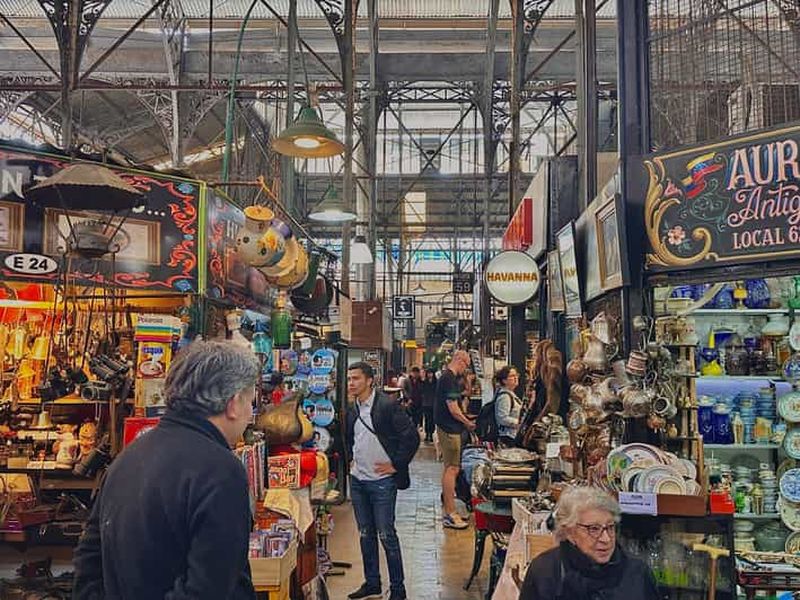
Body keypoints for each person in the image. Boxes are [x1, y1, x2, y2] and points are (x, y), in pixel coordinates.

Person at [73, 341, 260, 600]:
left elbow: (89, 559)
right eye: (251, 402)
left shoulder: (128, 457)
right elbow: (208, 588)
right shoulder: (221, 471)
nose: (250, 414)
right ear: (233, 403)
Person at [345, 362, 420, 600]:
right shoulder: (352, 408)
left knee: (386, 535)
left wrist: (395, 465)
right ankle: (373, 583)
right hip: (358, 480)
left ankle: (398, 590)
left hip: (382, 482)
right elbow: (349, 438)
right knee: (365, 533)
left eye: (356, 379)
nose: (351, 383)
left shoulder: (386, 406)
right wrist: (351, 462)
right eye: (349, 379)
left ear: (369, 381)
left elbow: (410, 437)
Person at [519, 486, 659, 600]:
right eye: (593, 529)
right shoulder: (545, 571)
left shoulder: (638, 572)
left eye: (610, 527)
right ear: (569, 531)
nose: (606, 539)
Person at [434, 349, 474, 530]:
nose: (465, 368)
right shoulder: (448, 378)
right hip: (449, 429)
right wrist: (467, 423)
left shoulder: (448, 378)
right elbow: (453, 408)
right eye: (466, 364)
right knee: (452, 469)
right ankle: (450, 513)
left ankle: (449, 511)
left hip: (449, 427)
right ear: (459, 360)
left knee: (451, 469)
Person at [494, 366, 522, 446]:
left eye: (516, 375)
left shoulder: (511, 394)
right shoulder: (504, 397)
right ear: (504, 380)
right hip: (507, 437)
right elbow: (502, 418)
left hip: (512, 435)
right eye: (512, 376)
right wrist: (519, 423)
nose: (516, 378)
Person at [420, 368, 437, 443]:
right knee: (427, 419)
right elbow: (422, 391)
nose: (430, 375)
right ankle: (427, 434)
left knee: (432, 420)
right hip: (426, 404)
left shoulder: (436, 382)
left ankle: (431, 434)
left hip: (433, 404)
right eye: (428, 373)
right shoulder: (424, 382)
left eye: (431, 373)